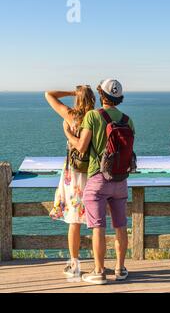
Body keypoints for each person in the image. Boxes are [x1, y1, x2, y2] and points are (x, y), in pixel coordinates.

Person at [64, 79, 135, 285]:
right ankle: (120, 269)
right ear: (118, 99)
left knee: (98, 227)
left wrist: (68, 133)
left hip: (98, 180)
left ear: (101, 95)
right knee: (121, 225)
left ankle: (99, 271)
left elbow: (82, 147)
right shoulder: (128, 120)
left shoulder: (93, 116)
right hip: (121, 180)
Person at [44, 86, 96, 277]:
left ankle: (74, 265)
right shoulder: (96, 117)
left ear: (78, 99)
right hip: (92, 173)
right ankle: (99, 265)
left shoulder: (71, 116)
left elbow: (48, 94)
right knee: (95, 221)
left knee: (74, 221)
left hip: (73, 174)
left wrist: (72, 93)